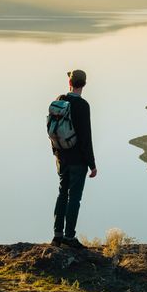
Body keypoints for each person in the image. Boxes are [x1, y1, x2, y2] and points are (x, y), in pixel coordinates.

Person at [51, 69, 98, 248]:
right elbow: (86, 138)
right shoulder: (83, 106)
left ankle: (57, 236)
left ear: (70, 83)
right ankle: (69, 238)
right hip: (78, 160)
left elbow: (53, 129)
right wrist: (92, 165)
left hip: (61, 157)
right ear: (84, 84)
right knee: (74, 198)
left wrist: (56, 153)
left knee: (62, 194)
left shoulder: (60, 100)